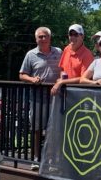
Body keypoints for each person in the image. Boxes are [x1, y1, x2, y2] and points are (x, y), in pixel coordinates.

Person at [19, 27, 62, 170]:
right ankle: (36, 159)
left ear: (50, 38)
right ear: (36, 39)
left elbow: (65, 70)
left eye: (45, 36)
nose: (43, 39)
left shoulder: (59, 52)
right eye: (40, 37)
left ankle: (51, 161)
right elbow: (22, 74)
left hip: (55, 98)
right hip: (37, 98)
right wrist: (31, 79)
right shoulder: (30, 54)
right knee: (37, 130)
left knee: (53, 129)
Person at [51, 24, 94, 95]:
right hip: (65, 92)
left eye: (76, 35)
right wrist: (62, 78)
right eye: (70, 34)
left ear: (82, 37)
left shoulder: (87, 54)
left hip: (80, 93)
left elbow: (83, 79)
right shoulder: (66, 49)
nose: (72, 37)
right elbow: (62, 69)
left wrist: (62, 82)